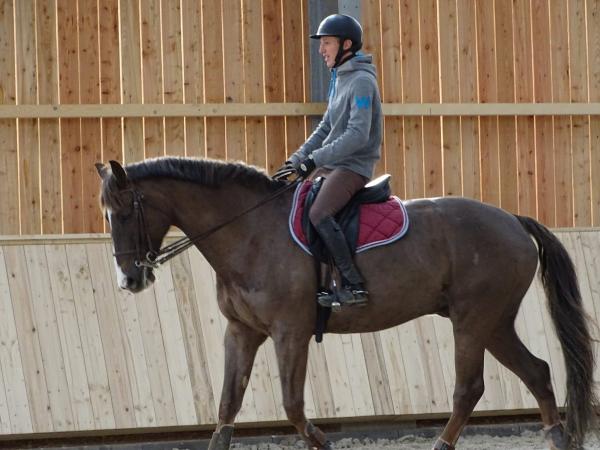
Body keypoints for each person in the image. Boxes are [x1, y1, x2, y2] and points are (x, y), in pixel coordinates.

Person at [273, 14, 383, 307]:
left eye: (327, 43)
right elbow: (325, 128)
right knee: (296, 202)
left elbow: (357, 136)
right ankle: (318, 283)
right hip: (332, 164)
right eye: (321, 44)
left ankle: (352, 282)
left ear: (346, 44)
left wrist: (315, 160)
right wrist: (296, 161)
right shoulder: (340, 78)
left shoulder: (361, 82)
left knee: (320, 212)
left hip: (353, 167)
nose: (321, 50)